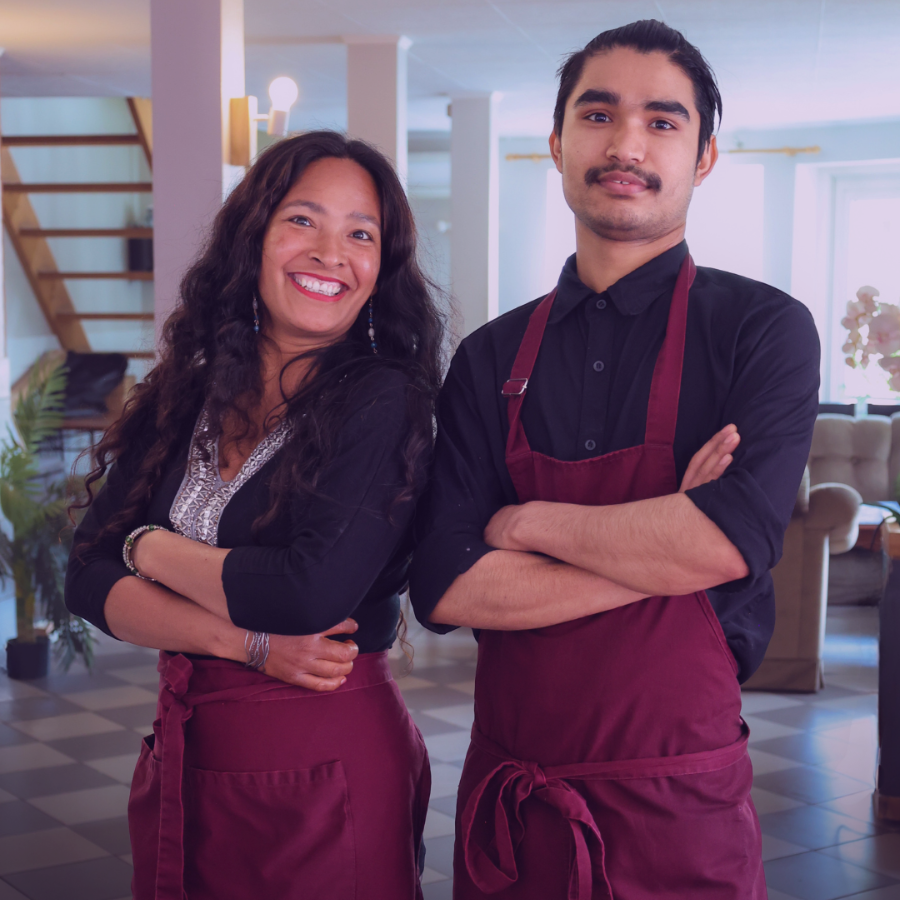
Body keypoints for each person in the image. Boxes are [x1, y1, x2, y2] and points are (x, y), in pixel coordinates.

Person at [409, 19, 820, 899]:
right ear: (558, 145)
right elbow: (444, 585)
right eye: (598, 116)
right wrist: (665, 545)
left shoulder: (763, 330)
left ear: (704, 158)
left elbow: (729, 541)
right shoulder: (488, 356)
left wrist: (525, 523)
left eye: (663, 121)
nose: (626, 144)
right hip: (517, 802)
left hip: (681, 801)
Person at [65, 130, 444, 900]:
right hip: (191, 751)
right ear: (255, 238)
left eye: (361, 234)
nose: (330, 253)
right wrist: (245, 643)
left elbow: (306, 595)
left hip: (325, 766)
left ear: (382, 268)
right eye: (303, 220)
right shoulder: (188, 393)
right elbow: (81, 579)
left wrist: (145, 548)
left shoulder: (384, 400)